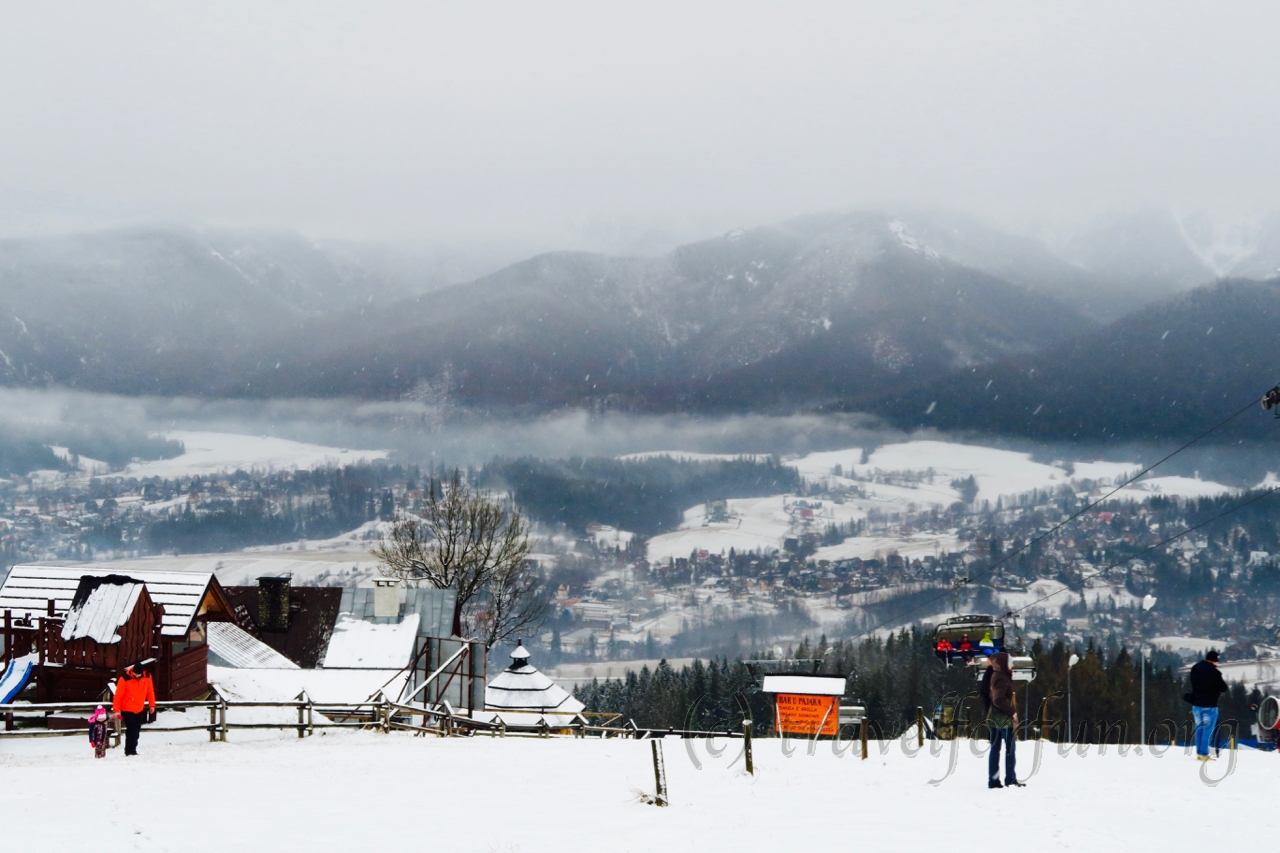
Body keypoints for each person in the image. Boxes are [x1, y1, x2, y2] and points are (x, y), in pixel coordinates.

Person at [1185, 650, 1228, 761]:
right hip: (1210, 705)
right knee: (1208, 731)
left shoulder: (1195, 668)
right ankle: (1204, 754)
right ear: (1215, 660)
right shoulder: (1214, 673)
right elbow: (1223, 688)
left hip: (1196, 704)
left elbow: (1194, 683)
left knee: (1199, 729)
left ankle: (1199, 752)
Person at [987, 652, 1021, 788]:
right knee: (1010, 749)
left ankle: (993, 780)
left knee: (995, 749)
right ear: (1003, 664)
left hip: (994, 717)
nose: (1012, 665)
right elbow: (998, 699)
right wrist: (1012, 712)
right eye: (1010, 662)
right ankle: (1010, 779)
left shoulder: (996, 675)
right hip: (1003, 719)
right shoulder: (1002, 678)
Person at [112, 662, 156, 757]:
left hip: (139, 708)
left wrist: (151, 704)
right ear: (133, 671)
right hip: (126, 708)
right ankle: (129, 751)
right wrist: (116, 709)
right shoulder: (124, 679)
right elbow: (118, 695)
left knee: (137, 730)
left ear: (142, 672)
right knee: (132, 728)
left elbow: (150, 691)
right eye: (135, 673)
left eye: (139, 674)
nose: (137, 675)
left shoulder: (147, 677)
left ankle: (133, 750)